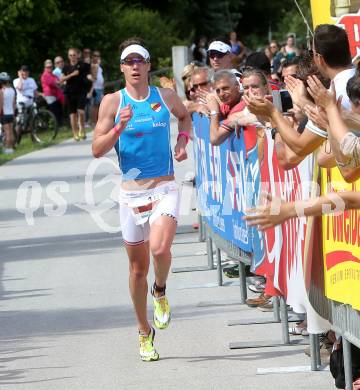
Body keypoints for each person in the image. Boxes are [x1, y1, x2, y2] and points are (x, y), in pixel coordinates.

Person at [92, 40, 191, 362]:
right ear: (121, 67)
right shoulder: (111, 102)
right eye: (128, 61)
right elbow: (96, 149)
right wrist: (119, 126)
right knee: (137, 269)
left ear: (149, 65)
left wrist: (182, 140)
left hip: (164, 187)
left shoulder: (164, 97)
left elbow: (185, 117)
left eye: (140, 60)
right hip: (131, 193)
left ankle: (159, 291)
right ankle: (143, 330)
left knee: (160, 249)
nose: (135, 66)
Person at [61, 48, 92, 141]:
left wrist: (91, 78)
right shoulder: (66, 67)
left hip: (81, 92)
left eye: (74, 55)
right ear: (68, 56)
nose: (72, 57)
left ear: (77, 55)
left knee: (81, 112)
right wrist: (72, 75)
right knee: (72, 114)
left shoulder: (83, 65)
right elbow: (62, 79)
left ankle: (82, 129)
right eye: (70, 55)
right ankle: (75, 133)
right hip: (70, 93)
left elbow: (89, 74)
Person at [40, 59, 64, 125]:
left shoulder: (53, 75)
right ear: (45, 67)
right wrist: (58, 83)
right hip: (49, 95)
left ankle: (59, 124)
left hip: (56, 95)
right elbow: (52, 83)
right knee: (55, 111)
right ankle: (56, 125)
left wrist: (59, 83)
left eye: (50, 67)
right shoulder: (45, 75)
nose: (49, 68)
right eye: (48, 67)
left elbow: (59, 82)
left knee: (59, 110)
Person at [0, 72, 16, 154]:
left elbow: (1, 104)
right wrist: (13, 114)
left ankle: (7, 149)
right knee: (11, 132)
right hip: (11, 113)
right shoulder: (12, 90)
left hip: (4, 114)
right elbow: (14, 103)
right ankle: (11, 148)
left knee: (7, 133)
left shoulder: (2, 91)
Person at [90, 51, 104, 124]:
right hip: (95, 88)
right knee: (95, 105)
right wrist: (97, 65)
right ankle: (94, 121)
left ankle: (99, 120)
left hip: (100, 88)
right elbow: (94, 76)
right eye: (95, 56)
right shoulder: (93, 65)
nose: (97, 57)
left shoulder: (98, 66)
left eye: (98, 56)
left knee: (100, 105)